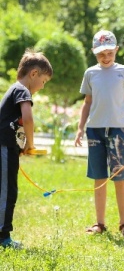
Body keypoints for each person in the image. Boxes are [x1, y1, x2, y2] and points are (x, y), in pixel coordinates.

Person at [74, 30, 124, 239]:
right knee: (99, 177)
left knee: (119, 176)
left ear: (116, 50)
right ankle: (100, 223)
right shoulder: (91, 73)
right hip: (95, 130)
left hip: (118, 130)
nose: (105, 58)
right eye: (100, 54)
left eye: (109, 53)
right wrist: (80, 127)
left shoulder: (123, 72)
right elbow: (87, 103)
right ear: (94, 53)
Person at [0, 49, 53, 249]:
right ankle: (3, 238)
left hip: (8, 145)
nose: (43, 86)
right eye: (44, 81)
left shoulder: (14, 89)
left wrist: (20, 144)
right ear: (33, 74)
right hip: (4, 145)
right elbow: (28, 119)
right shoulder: (22, 90)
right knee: (8, 191)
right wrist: (30, 144)